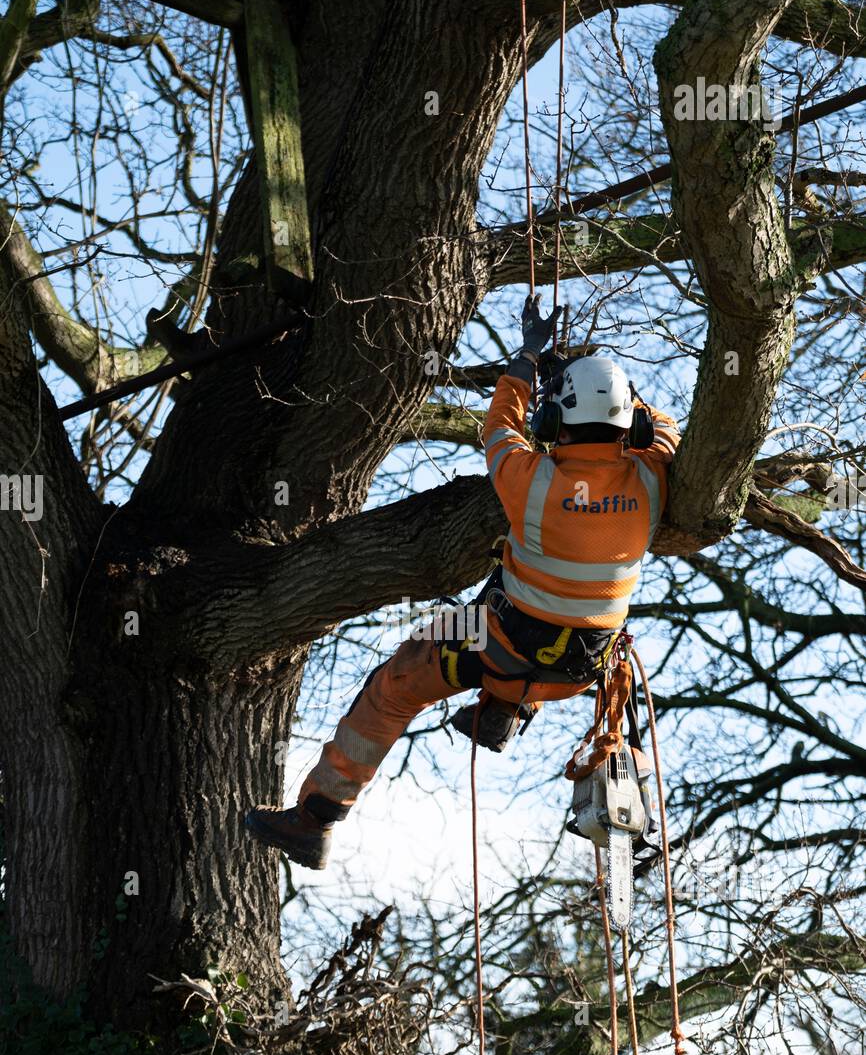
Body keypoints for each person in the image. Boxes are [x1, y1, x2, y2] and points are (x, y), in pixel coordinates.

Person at [245, 296, 680, 868]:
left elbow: (500, 423)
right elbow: (664, 429)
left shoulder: (530, 480)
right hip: (579, 672)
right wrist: (615, 394)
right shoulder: (652, 479)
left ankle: (317, 816)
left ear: (555, 423)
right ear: (631, 425)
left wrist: (528, 358)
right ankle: (502, 711)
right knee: (521, 603)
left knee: (397, 680)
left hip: (499, 645)